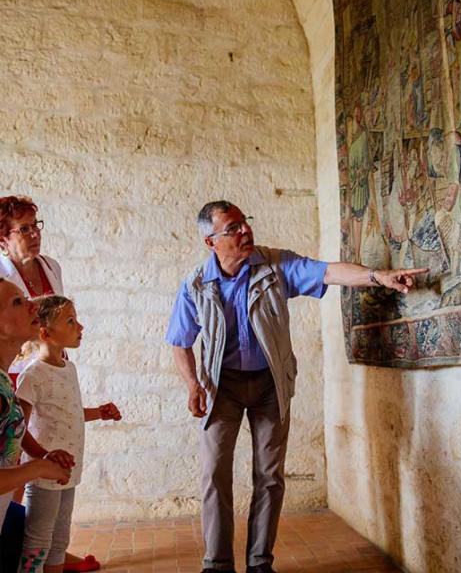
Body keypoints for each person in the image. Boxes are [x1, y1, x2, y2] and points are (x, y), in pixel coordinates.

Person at [166, 200, 425, 573]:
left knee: (269, 476)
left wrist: (376, 277)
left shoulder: (274, 265)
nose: (245, 231)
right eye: (233, 228)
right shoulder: (195, 285)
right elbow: (179, 340)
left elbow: (326, 272)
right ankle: (217, 564)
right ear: (211, 242)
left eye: (245, 222)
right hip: (221, 386)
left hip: (270, 384)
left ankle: (259, 562)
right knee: (214, 473)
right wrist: (193, 384)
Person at [0, 196, 98, 573]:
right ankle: (25, 547)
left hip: (44, 362)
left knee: (51, 463)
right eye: (23, 229)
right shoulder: (1, 275)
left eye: (36, 225)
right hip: (13, 368)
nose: (34, 234)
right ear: (4, 239)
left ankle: (49, 550)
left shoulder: (50, 266)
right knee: (16, 458)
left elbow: (56, 315)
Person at [16, 296, 121, 573]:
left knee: (60, 537)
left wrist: (99, 412)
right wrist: (43, 457)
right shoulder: (32, 375)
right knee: (38, 540)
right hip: (45, 473)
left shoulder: (67, 367)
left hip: (68, 470)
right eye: (71, 321)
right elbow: (18, 430)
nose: (80, 326)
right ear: (45, 333)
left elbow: (69, 413)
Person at [0, 279, 71, 572]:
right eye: (17, 302)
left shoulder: (4, 379)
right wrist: (40, 469)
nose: (33, 306)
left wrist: (41, 456)